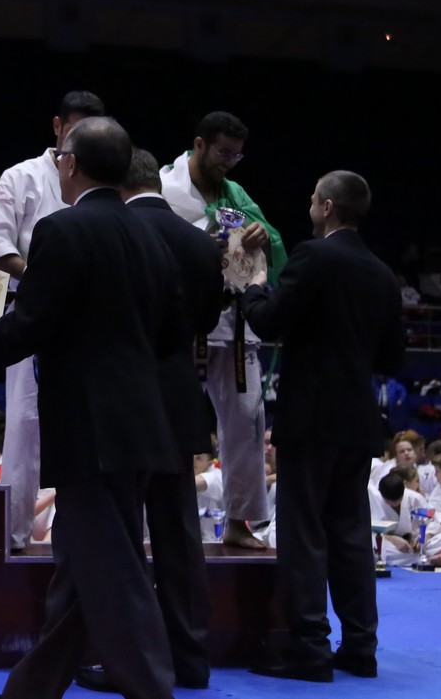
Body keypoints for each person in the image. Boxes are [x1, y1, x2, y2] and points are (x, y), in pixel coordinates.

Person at [0, 116, 184, 699]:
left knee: (113, 568)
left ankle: (154, 690)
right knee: (88, 564)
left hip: (91, 426)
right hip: (141, 420)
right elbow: (171, 334)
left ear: (71, 164)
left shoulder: (61, 228)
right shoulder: (153, 236)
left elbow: (35, 321)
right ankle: (30, 691)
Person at [239, 170, 403, 681]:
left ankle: (309, 646)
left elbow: (269, 320)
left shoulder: (314, 256)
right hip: (357, 418)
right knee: (351, 533)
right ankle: (360, 647)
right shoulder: (383, 273)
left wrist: (254, 286)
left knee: (304, 531)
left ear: (327, 207)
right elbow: (392, 359)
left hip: (311, 417)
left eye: (313, 200)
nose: (310, 207)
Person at [120, 146, 225, 690]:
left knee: (120, 533)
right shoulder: (200, 243)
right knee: (179, 535)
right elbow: (206, 320)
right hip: (179, 393)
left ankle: (133, 658)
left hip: (122, 398)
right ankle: (189, 657)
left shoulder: (110, 232)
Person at [0, 90, 105, 548]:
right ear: (57, 126)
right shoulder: (21, 177)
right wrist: (47, 280)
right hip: (31, 310)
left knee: (85, 426)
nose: (80, 138)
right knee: (25, 425)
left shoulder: (103, 183)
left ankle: (77, 534)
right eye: (73, 128)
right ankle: (12, 533)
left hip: (89, 318)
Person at [161, 110, 285, 548]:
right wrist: (200, 247)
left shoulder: (236, 194)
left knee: (248, 421)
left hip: (234, 325)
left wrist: (261, 236)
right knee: (169, 423)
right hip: (182, 323)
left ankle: (239, 522)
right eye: (223, 152)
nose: (229, 162)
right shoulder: (166, 189)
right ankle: (160, 522)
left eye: (236, 155)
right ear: (199, 145)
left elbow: (273, 242)